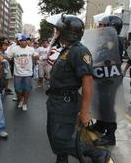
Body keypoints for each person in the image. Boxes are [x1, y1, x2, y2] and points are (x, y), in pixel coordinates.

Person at [46, 14, 110, 163]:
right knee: (55, 134)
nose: (56, 32)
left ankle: (96, 154)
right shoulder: (67, 49)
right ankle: (62, 160)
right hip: (56, 101)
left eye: (59, 30)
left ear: (68, 33)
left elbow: (87, 81)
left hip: (65, 102)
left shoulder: (79, 51)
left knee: (60, 139)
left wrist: (85, 111)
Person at [88, 15, 124, 146]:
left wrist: (93, 66)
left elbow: (111, 59)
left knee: (108, 106)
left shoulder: (115, 40)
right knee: (100, 103)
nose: (99, 27)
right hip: (102, 78)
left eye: (102, 25)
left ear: (111, 27)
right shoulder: (103, 40)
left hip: (110, 80)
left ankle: (110, 136)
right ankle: (100, 125)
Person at [6, 35, 39, 111]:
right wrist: (2, 56)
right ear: (19, 42)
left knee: (27, 89)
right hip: (17, 74)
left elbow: (36, 55)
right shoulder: (14, 49)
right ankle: (20, 99)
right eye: (23, 41)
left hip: (28, 74)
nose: (25, 42)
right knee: (17, 89)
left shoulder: (31, 49)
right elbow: (8, 57)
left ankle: (25, 103)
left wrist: (37, 57)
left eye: (26, 41)